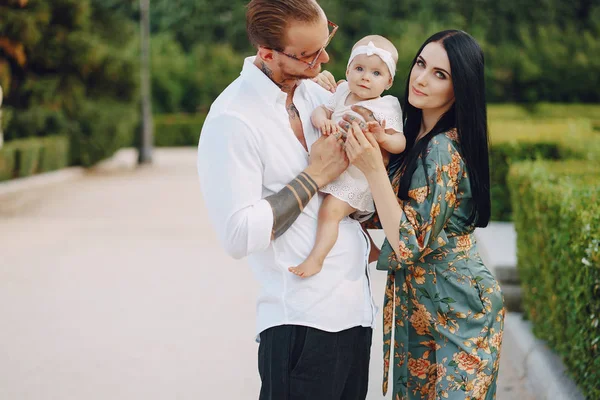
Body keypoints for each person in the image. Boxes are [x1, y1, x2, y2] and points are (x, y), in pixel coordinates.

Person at [197, 1, 377, 399]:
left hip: (356, 314)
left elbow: (349, 189)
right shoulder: (233, 119)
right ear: (267, 54)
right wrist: (314, 175)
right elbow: (238, 236)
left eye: (325, 41)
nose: (326, 58)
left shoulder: (318, 95)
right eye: (310, 54)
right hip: (300, 322)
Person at [335, 30, 505, 399]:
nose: (422, 78)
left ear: (460, 88)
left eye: (440, 74)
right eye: (421, 64)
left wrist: (374, 170)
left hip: (461, 308)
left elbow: (408, 242)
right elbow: (376, 211)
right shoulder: (408, 136)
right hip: (418, 306)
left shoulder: (443, 148)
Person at [289, 35, 406, 279]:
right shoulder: (342, 91)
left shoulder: (386, 106)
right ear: (348, 69)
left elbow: (400, 142)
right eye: (360, 68)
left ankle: (316, 259)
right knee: (322, 208)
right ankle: (371, 249)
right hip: (332, 164)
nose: (365, 77)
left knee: (329, 212)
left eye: (376, 73)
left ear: (388, 81)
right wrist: (321, 118)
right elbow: (324, 109)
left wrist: (383, 137)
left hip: (356, 178)